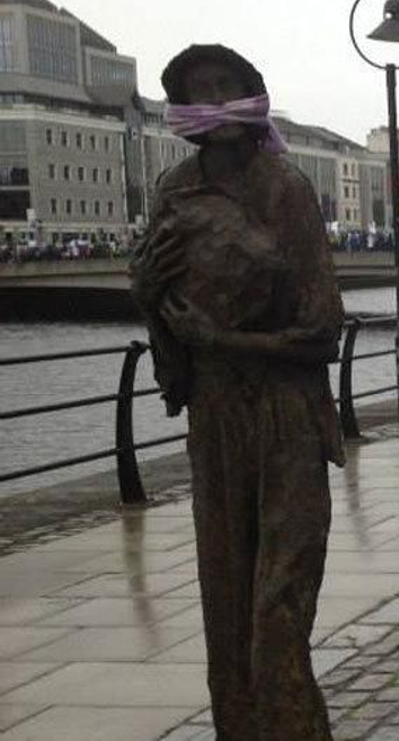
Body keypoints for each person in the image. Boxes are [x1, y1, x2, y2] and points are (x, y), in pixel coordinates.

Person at [128, 45, 343, 738]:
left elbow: (321, 331)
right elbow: (173, 326)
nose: (214, 101)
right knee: (227, 621)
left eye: (227, 86)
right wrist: (146, 292)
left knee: (277, 618)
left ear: (252, 95)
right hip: (216, 421)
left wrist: (225, 341)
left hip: (286, 420)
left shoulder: (284, 188)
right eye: (199, 91)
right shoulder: (173, 190)